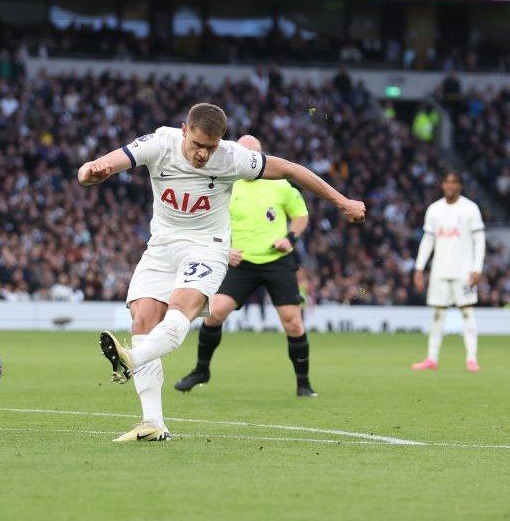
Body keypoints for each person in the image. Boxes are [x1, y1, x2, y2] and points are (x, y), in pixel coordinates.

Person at [78, 103, 365, 443]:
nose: (203, 154)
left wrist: (342, 201)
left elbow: (290, 169)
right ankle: (152, 422)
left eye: (210, 147)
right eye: (198, 144)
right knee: (142, 320)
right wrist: (91, 171)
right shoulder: (160, 143)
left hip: (207, 246)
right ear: (185, 130)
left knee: (180, 309)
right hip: (161, 246)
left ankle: (132, 358)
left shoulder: (232, 157)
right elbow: (108, 163)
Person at [174, 135, 317, 397]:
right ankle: (201, 369)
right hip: (240, 262)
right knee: (215, 312)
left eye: (257, 156)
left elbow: (301, 215)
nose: (253, 161)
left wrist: (290, 238)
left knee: (293, 323)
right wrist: (225, 250)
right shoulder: (224, 184)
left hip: (277, 261)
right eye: (247, 155)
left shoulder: (281, 185)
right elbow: (205, 222)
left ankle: (303, 384)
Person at [411, 172, 485, 372]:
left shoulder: (470, 209)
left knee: (467, 311)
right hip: (440, 270)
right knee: (437, 313)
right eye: (446, 182)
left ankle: (471, 358)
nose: (450, 186)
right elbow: (428, 241)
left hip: (464, 271)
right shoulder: (434, 210)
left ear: (460, 185)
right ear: (442, 185)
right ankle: (431, 358)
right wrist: (419, 268)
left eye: (454, 182)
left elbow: (479, 241)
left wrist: (477, 268)